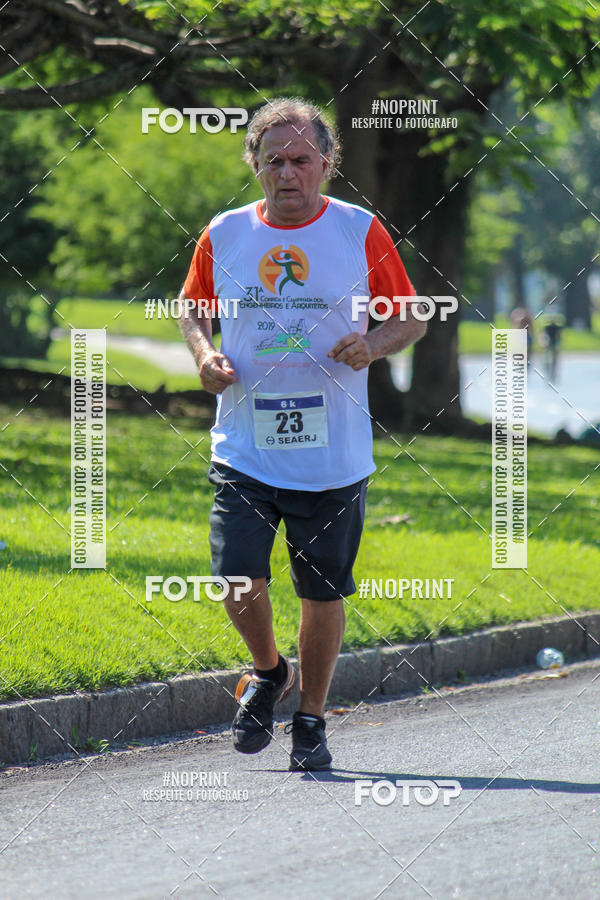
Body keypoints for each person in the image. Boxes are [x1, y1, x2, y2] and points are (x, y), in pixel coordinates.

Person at [179, 97, 426, 771]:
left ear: (327, 164)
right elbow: (191, 307)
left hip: (334, 457)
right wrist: (205, 356)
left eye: (301, 160)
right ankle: (268, 670)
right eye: (273, 160)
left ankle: (311, 720)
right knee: (235, 575)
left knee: (321, 593)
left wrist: (372, 345)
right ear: (254, 163)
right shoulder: (224, 232)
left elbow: (411, 319)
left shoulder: (358, 231)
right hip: (245, 444)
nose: (287, 173)